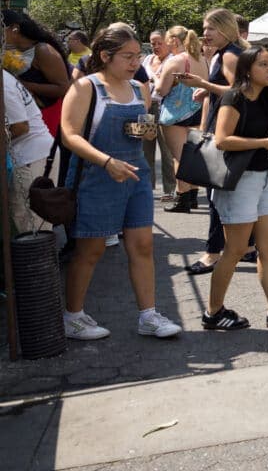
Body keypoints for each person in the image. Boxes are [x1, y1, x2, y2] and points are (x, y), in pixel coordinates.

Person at [58, 24, 182, 340]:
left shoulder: (139, 89)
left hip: (136, 175)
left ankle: (149, 316)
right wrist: (106, 161)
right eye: (127, 56)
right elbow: (69, 135)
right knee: (91, 249)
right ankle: (73, 316)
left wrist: (146, 131)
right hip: (98, 176)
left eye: (136, 55)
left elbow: (145, 131)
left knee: (142, 245)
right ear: (105, 56)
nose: (134, 62)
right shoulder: (86, 87)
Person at [203, 47, 268, 331]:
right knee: (236, 249)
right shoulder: (234, 97)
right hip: (238, 180)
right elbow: (222, 140)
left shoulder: (267, 97)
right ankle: (213, 312)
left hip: (261, 179)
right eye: (263, 65)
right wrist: (265, 143)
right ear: (247, 69)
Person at [175, 9, 250, 273]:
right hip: (231, 130)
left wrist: (203, 84)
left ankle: (212, 253)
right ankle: (248, 247)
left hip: (225, 131)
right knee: (230, 192)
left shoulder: (228, 54)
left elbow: (238, 91)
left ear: (226, 29)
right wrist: (205, 90)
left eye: (211, 29)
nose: (205, 34)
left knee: (216, 194)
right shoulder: (233, 52)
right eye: (204, 28)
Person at [156, 26, 205, 213]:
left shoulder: (175, 61)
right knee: (192, 156)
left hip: (175, 113)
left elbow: (162, 90)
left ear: (174, 41)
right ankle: (192, 196)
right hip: (198, 110)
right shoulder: (201, 59)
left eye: (167, 40)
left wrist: (156, 79)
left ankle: (183, 199)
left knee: (180, 157)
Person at [3, 9, 71, 137]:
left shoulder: (43, 50)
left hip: (46, 112)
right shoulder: (11, 49)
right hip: (25, 113)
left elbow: (63, 88)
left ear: (14, 29)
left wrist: (22, 85)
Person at [3, 70, 54, 234]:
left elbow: (20, 126)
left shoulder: (4, 83)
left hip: (31, 155)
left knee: (31, 224)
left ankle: (39, 259)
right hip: (30, 153)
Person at [141, 30, 176, 207]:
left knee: (167, 150)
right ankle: (146, 188)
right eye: (152, 43)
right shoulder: (147, 60)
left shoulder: (172, 60)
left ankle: (170, 190)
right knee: (145, 149)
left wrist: (154, 80)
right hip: (146, 106)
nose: (155, 46)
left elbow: (166, 85)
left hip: (164, 107)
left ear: (167, 42)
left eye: (158, 42)